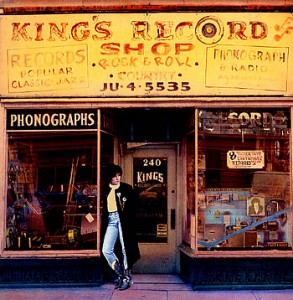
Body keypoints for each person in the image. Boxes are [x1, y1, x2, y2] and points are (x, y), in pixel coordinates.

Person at [101, 164, 140, 291]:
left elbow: (135, 206)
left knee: (125, 249)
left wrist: (129, 219)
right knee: (106, 249)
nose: (117, 178)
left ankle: (127, 278)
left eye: (119, 175)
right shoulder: (105, 189)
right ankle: (120, 274)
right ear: (109, 177)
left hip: (123, 221)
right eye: (114, 176)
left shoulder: (127, 189)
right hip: (111, 221)